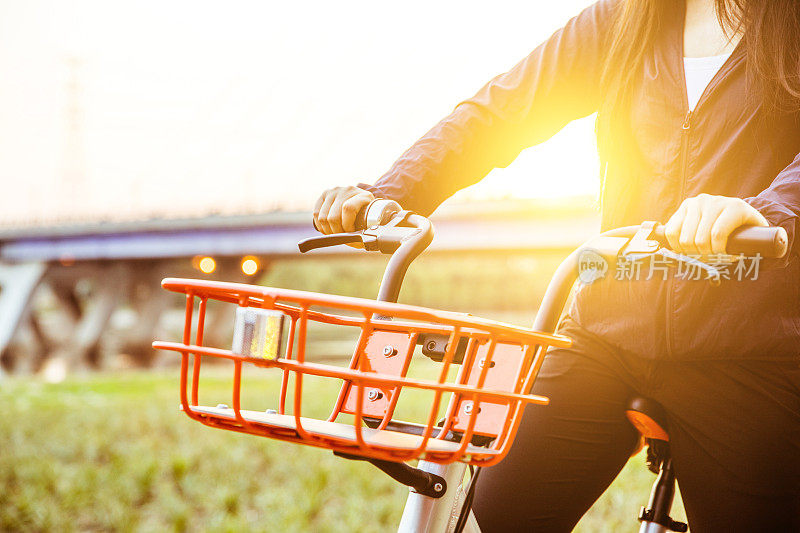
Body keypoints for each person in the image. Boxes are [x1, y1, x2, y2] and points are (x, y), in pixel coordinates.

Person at [313, 0, 800, 530]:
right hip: (607, 329)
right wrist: (388, 194)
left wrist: (763, 209)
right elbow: (506, 109)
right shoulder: (623, 19)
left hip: (748, 344)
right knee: (489, 516)